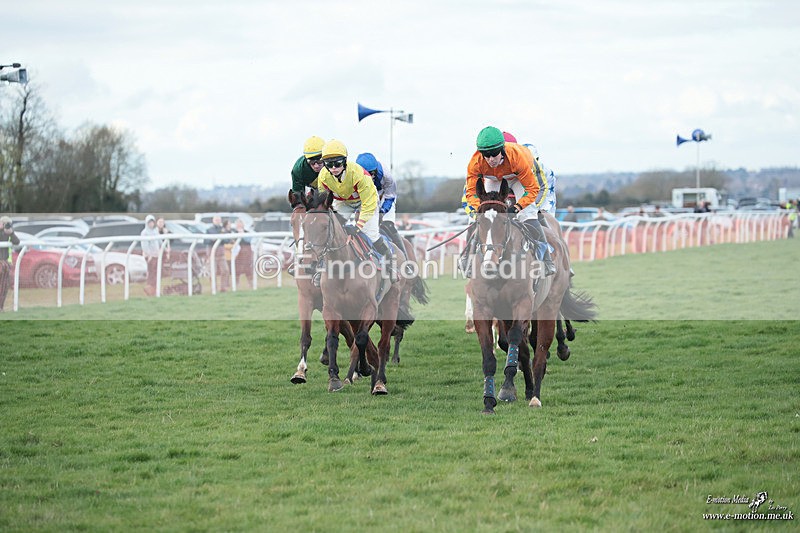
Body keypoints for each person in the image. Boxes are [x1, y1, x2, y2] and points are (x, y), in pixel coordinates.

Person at [463, 126, 555, 276]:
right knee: (479, 217)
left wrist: (517, 207)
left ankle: (546, 259)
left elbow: (532, 189)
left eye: (494, 154)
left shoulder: (518, 157)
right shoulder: (476, 162)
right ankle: (467, 258)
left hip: (518, 178)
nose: (491, 159)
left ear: (502, 149)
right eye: (486, 155)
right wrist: (480, 209)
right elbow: (471, 192)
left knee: (528, 213)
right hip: (493, 179)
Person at [316, 139, 397, 282]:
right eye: (329, 164)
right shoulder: (323, 176)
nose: (334, 168)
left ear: (345, 161)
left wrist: (358, 226)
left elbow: (368, 204)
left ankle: (391, 266)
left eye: (337, 163)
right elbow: (325, 202)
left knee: (370, 235)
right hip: (345, 202)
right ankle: (320, 268)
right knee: (330, 231)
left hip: (367, 202)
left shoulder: (358, 174)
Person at [355, 152, 404, 253]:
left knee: (388, 226)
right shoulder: (353, 177)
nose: (370, 178)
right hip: (366, 197)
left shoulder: (387, 176)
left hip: (384, 196)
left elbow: (390, 197)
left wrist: (382, 212)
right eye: (366, 175)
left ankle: (405, 259)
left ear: (376, 170)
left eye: (372, 174)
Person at [0, 216, 20, 311]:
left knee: (4, 286)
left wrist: (11, 233)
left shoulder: (8, 233)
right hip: (1, 263)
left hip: (5, 262)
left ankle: (1, 307)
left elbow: (17, 242)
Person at [206, 215, 231, 292]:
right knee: (213, 272)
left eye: (219, 220)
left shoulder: (223, 229)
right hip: (212, 254)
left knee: (225, 270)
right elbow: (207, 241)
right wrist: (220, 234)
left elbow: (227, 240)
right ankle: (213, 288)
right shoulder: (209, 230)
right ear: (213, 221)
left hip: (221, 254)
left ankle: (223, 287)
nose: (217, 221)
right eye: (216, 220)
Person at [140, 214, 161, 296]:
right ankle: (150, 288)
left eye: (152, 222)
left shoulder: (155, 231)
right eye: (149, 223)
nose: (151, 224)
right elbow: (144, 246)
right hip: (149, 257)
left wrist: (164, 248)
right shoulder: (144, 233)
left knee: (156, 273)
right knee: (151, 273)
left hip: (156, 255)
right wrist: (149, 255)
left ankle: (154, 289)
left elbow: (159, 241)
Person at [232, 218, 254, 286]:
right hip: (237, 253)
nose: (239, 225)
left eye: (240, 224)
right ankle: (236, 283)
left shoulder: (247, 232)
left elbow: (249, 240)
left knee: (248, 268)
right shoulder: (233, 233)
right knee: (237, 268)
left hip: (246, 252)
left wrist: (242, 234)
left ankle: (250, 283)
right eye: (238, 224)